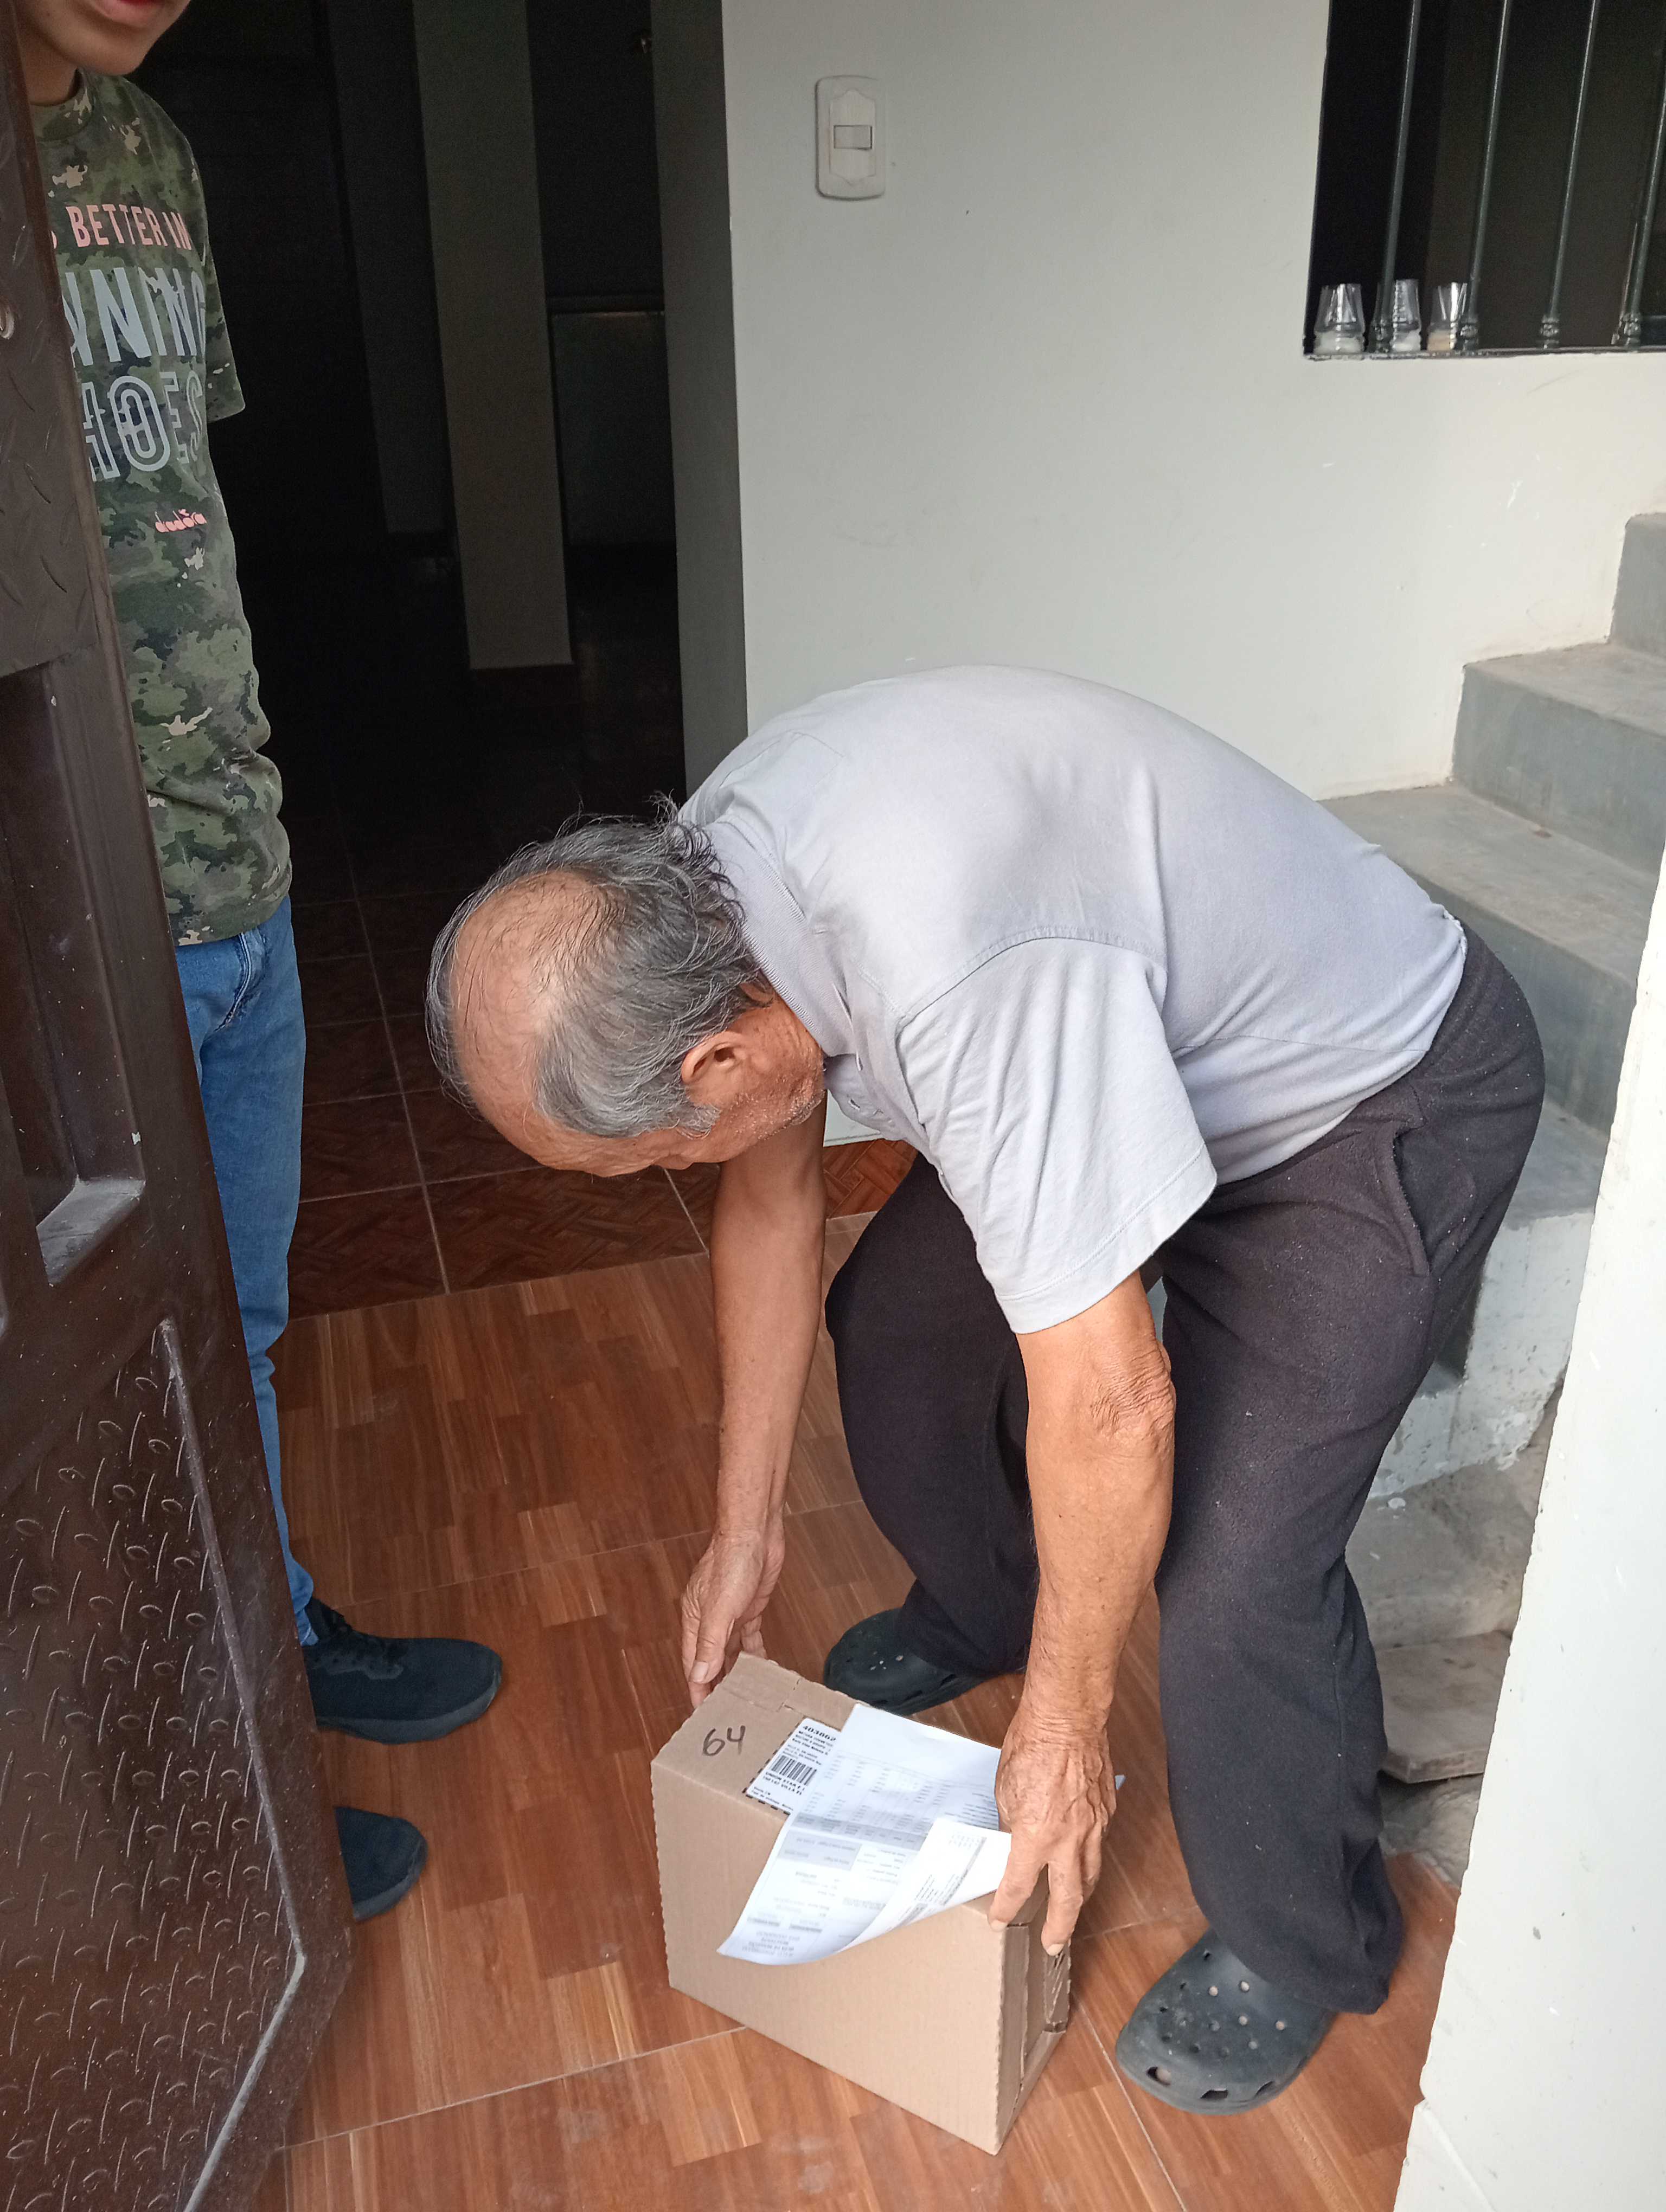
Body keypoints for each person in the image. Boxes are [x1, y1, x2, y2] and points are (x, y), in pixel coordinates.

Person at [427, 664, 1543, 2112]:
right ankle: (990, 1602)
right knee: (899, 1331)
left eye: (654, 1161)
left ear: (715, 1060)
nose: (672, 1178)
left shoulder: (952, 972)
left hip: (1363, 1092)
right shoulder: (696, 906)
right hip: (1132, 1055)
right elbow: (768, 1201)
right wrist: (745, 1526)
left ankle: (1304, 1942)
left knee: (1233, 1562)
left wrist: (1065, 1735)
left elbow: (1114, 1404)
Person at [21, 0, 503, 1921]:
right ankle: (188, 1808)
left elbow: (175, 511)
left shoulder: (147, 149)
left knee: (237, 1327)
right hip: (66, 914)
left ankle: (268, 1647)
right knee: (94, 1384)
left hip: (237, 858)